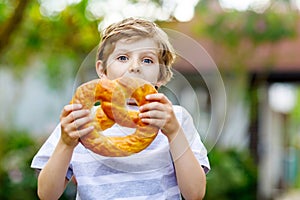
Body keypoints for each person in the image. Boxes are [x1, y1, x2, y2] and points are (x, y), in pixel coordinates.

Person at [31, 17, 210, 200]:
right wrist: (66, 144)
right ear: (102, 70)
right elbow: (47, 195)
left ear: (161, 76)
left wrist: (173, 133)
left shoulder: (175, 119)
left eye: (147, 60)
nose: (134, 67)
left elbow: (194, 194)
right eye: (123, 57)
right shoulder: (80, 121)